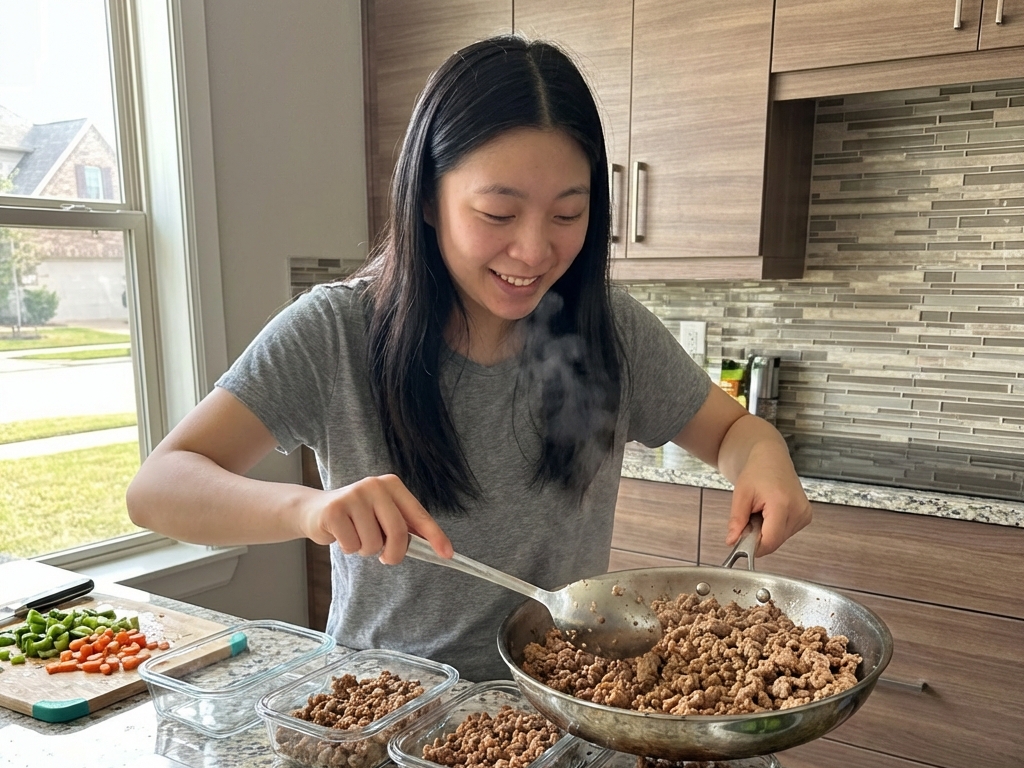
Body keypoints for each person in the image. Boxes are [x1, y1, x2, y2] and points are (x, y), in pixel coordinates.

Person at [126, 36, 812, 681]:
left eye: (568, 214)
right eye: (498, 214)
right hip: (382, 713)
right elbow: (158, 488)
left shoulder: (612, 333)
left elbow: (733, 434)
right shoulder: (335, 331)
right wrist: (311, 510)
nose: (536, 251)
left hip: (558, 710)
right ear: (428, 197)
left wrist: (764, 454)